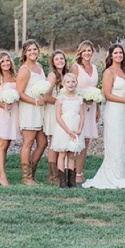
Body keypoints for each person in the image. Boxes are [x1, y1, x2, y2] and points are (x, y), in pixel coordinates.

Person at [83, 44, 125, 189]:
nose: (119, 55)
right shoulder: (108, 72)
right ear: (111, 55)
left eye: (121, 53)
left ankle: (121, 174)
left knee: (121, 142)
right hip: (114, 111)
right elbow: (107, 95)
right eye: (116, 53)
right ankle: (112, 175)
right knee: (114, 141)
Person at [16, 39, 48, 185]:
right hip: (29, 108)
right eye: (29, 50)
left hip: (41, 109)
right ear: (25, 53)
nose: (32, 52)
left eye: (34, 49)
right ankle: (25, 177)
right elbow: (19, 93)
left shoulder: (40, 67)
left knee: (43, 142)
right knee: (28, 142)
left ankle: (32, 173)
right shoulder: (24, 69)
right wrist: (34, 101)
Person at [70, 40, 99, 184]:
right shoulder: (75, 68)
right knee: (76, 139)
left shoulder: (94, 67)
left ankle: (79, 172)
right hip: (78, 107)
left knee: (86, 140)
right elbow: (70, 88)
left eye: (89, 50)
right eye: (85, 50)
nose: (87, 53)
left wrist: (97, 106)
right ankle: (70, 171)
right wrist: (83, 99)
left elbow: (95, 88)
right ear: (80, 52)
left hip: (91, 107)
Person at [0, 51, 20, 186]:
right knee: (1, 145)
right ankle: (2, 176)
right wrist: (3, 106)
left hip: (12, 113)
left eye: (8, 60)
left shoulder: (14, 76)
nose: (6, 63)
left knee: (7, 144)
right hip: (1, 113)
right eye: (3, 61)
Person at [51, 73, 85, 188]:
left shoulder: (79, 98)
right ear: (64, 83)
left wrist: (79, 129)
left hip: (75, 128)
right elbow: (58, 116)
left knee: (71, 154)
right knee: (62, 154)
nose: (70, 84)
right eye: (68, 82)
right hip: (64, 128)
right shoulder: (61, 98)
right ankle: (62, 180)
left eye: (73, 82)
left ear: (76, 83)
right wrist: (68, 131)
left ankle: (72, 180)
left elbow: (82, 115)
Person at [43, 50, 68, 184]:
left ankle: (60, 173)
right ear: (53, 62)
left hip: (63, 113)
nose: (60, 61)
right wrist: (61, 102)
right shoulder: (52, 75)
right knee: (53, 143)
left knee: (60, 142)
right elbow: (46, 96)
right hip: (53, 111)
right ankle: (52, 176)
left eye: (62, 59)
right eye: (57, 59)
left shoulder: (65, 75)